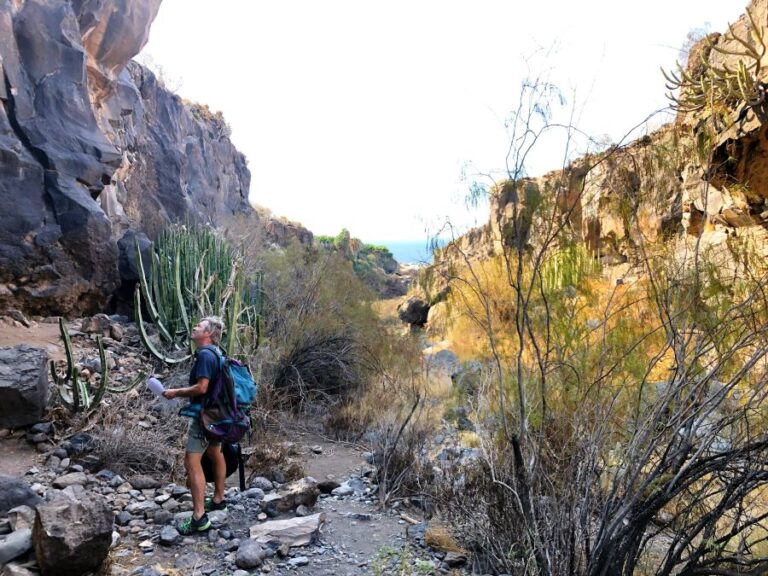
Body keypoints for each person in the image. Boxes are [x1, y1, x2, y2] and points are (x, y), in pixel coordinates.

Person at [162, 316, 227, 535]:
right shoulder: (217, 352)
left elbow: (201, 388)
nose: (194, 327)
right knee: (215, 453)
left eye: (199, 326)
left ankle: (199, 517)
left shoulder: (205, 356)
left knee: (191, 461)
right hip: (218, 414)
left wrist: (175, 392)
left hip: (204, 416)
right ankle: (219, 499)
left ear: (208, 333)